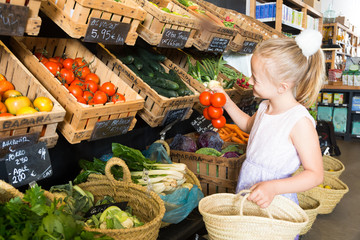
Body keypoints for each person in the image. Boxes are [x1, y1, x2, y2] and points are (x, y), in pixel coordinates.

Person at [214, 29, 325, 210]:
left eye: (255, 78)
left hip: (275, 202)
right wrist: (226, 102)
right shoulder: (265, 106)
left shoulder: (299, 121)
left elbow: (315, 174)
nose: (249, 81)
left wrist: (273, 188)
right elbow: (249, 125)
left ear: (281, 87)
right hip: (248, 189)